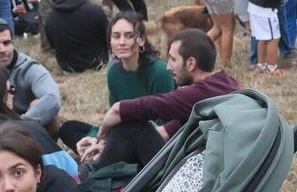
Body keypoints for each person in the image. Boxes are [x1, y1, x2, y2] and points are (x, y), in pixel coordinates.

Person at [75, 29, 236, 172]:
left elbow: (117, 110)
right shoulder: (224, 83)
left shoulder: (197, 94)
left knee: (130, 124)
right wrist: (105, 146)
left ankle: (90, 175)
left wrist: (101, 136)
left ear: (191, 63)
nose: (169, 67)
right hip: (201, 167)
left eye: (173, 59)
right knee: (72, 128)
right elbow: (165, 132)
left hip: (185, 174)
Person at [40, 0, 115, 74]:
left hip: (66, 69)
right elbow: (110, 38)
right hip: (98, 65)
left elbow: (53, 46)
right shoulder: (95, 12)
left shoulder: (50, 18)